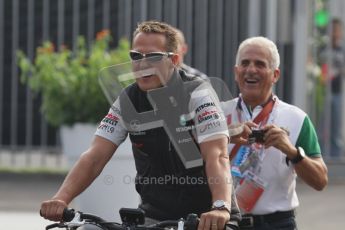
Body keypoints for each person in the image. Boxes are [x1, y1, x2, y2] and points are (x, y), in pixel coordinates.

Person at [40, 21, 240, 230]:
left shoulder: (198, 93)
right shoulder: (128, 100)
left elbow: (217, 155)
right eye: (136, 56)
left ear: (174, 60)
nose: (142, 64)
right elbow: (94, 156)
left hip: (208, 217)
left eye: (153, 57)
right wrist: (61, 198)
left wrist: (220, 207)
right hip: (155, 217)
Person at [222, 36, 328, 229]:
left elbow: (320, 180)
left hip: (276, 224)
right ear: (236, 72)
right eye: (245, 63)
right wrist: (225, 134)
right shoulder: (218, 114)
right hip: (226, 222)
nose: (251, 69)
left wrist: (292, 152)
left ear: (275, 74)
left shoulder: (296, 118)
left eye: (260, 64)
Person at [322, 18, 345, 158]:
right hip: (323, 92)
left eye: (337, 30)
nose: (334, 33)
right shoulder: (324, 49)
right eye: (332, 30)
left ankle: (336, 157)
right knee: (322, 125)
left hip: (338, 91)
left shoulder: (342, 49)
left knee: (336, 127)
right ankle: (322, 155)